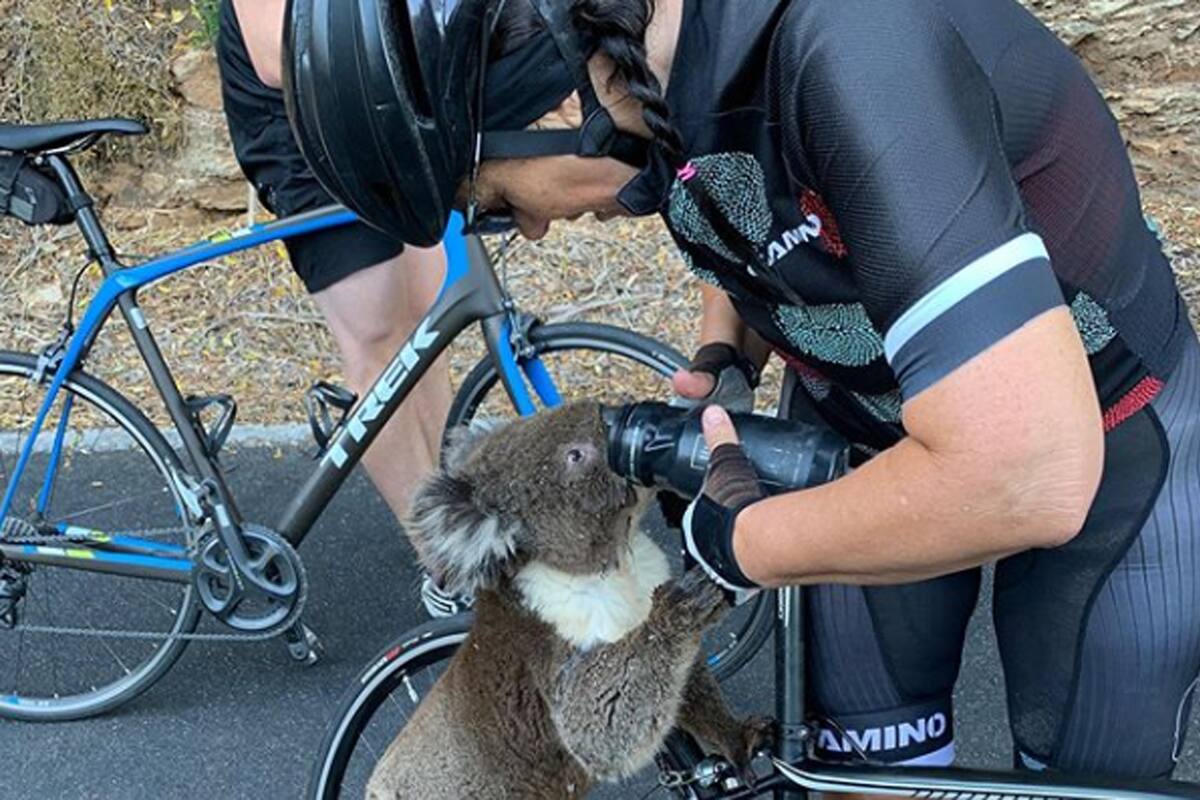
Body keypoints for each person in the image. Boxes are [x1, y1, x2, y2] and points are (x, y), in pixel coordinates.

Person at [285, 0, 1200, 784]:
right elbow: (759, 194)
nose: (525, 229)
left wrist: (740, 545)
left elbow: (1026, 470)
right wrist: (731, 343)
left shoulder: (851, 47)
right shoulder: (658, 65)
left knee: (1078, 784)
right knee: (861, 779)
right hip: (859, 422)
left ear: (559, 96)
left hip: (1112, 440)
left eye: (489, 198)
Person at [215, 0, 466, 615]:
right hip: (299, 131)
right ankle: (445, 566)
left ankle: (450, 516)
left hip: (373, 116)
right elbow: (277, 58)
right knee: (376, 336)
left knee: (426, 324)